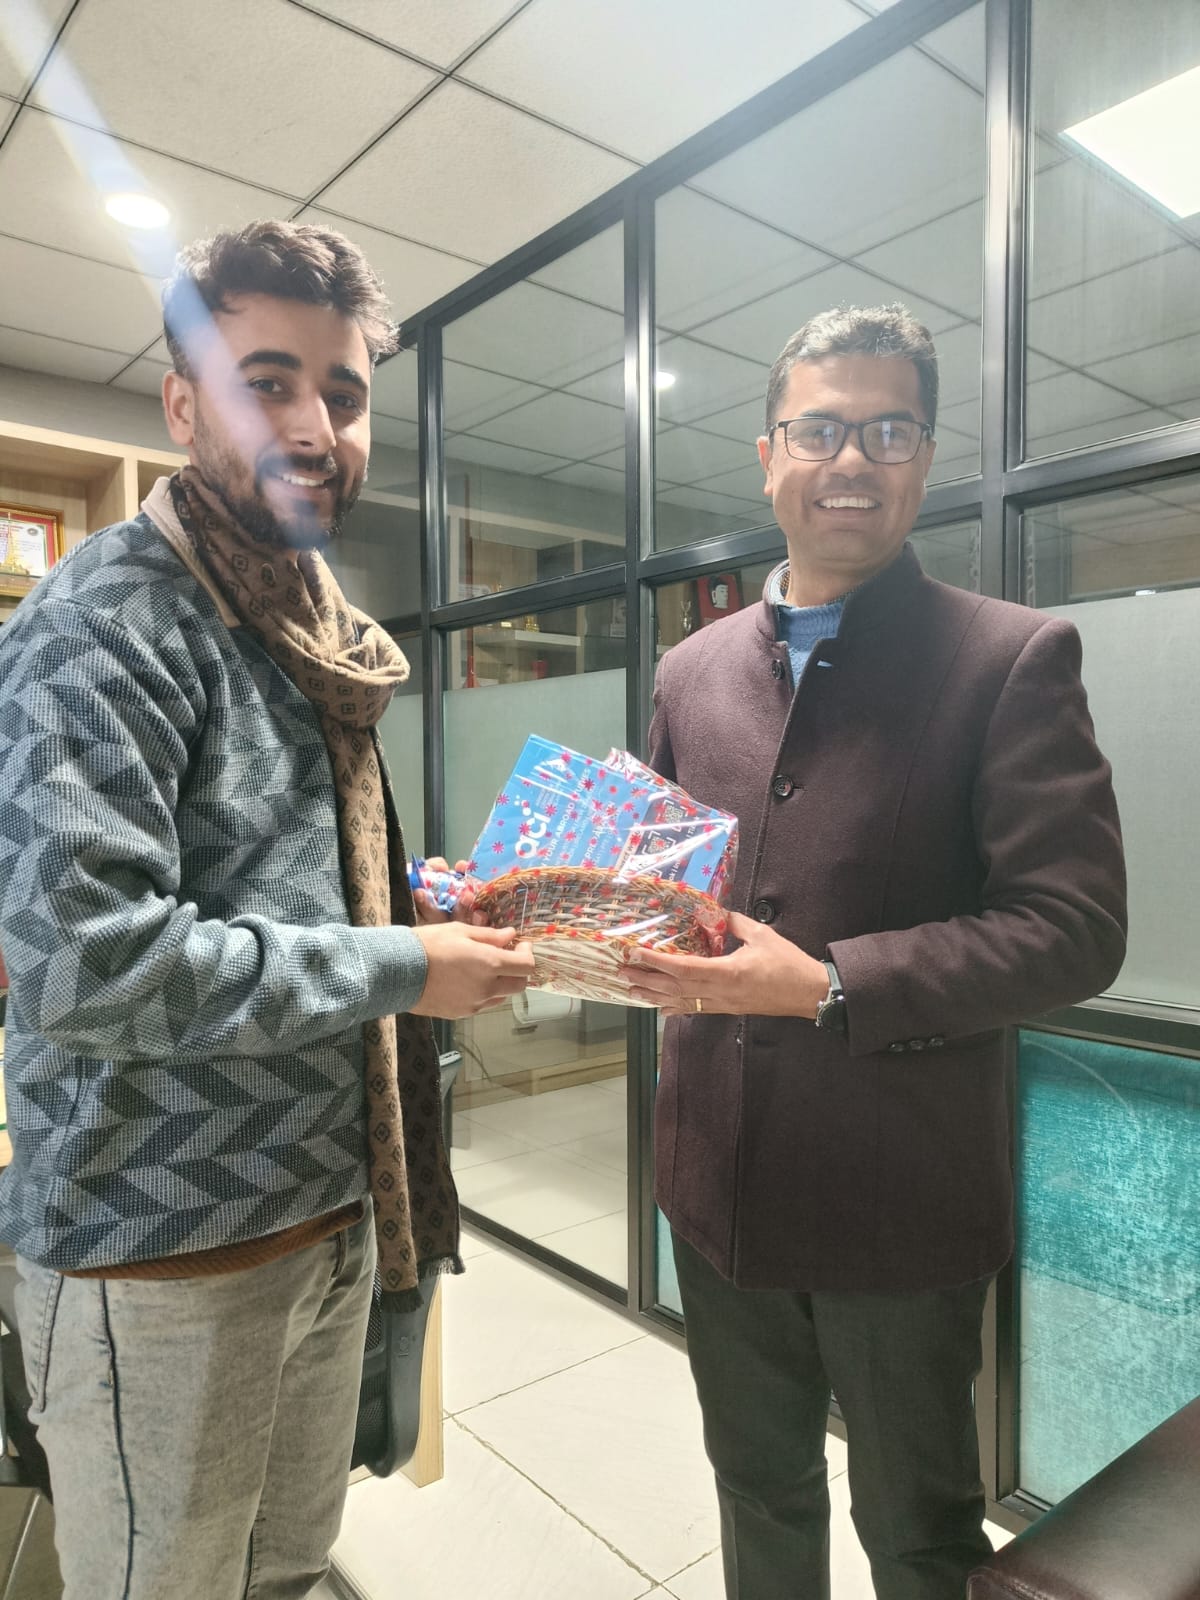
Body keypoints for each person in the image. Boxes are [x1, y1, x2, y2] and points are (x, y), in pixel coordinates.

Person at [0, 220, 535, 1600]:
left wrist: (413, 908)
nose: (312, 426)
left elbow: (274, 884)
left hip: (330, 1213)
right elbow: (86, 965)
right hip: (159, 1261)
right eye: (266, 383)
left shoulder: (308, 625)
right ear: (183, 406)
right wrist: (402, 963)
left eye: (342, 394)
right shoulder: (107, 621)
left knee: (289, 1570)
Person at [624, 304, 1126, 1600]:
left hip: (898, 1206)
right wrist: (565, 919)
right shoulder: (689, 671)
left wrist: (835, 983)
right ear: (768, 454)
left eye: (889, 431)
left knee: (917, 1538)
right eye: (821, 430)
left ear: (926, 456)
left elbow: (1075, 927)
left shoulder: (1009, 657)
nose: (852, 460)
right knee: (759, 1495)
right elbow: (665, 882)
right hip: (715, 1180)